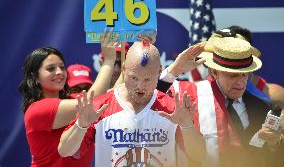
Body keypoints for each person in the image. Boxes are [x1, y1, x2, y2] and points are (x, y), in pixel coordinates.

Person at [58, 41, 206, 167]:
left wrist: (187, 126)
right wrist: (81, 125)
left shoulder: (171, 108)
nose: (140, 86)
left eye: (147, 79)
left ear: (159, 72)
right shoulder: (100, 106)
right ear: (124, 70)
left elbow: (200, 157)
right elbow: (64, 151)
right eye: (134, 77)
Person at [161, 31, 284, 167]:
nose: (240, 82)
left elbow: (270, 160)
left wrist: (275, 144)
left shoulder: (262, 107)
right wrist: (174, 70)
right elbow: (152, 99)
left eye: (244, 75)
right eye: (232, 75)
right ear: (214, 72)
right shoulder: (189, 95)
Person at [18, 29, 119, 167]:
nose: (59, 72)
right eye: (51, 69)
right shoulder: (37, 110)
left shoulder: (71, 100)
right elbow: (95, 101)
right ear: (35, 77)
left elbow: (114, 94)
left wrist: (135, 58)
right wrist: (109, 60)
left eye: (61, 67)